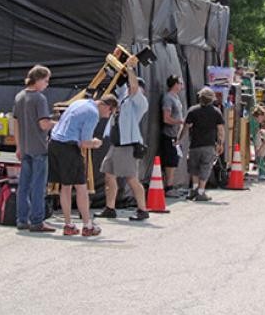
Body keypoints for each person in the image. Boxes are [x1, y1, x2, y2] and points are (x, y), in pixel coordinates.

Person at [48, 94, 118, 236]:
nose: (108, 115)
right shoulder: (93, 114)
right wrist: (96, 143)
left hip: (54, 143)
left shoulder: (80, 102)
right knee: (81, 187)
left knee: (65, 186)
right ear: (104, 105)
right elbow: (84, 142)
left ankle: (68, 225)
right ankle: (87, 225)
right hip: (69, 147)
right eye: (110, 111)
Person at [94, 56, 150, 221]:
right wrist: (114, 70)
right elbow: (121, 85)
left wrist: (131, 69)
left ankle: (142, 209)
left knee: (131, 178)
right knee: (109, 175)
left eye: (135, 86)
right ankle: (110, 208)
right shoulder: (123, 99)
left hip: (128, 145)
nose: (130, 88)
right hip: (115, 144)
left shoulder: (140, 102)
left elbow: (133, 87)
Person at [12, 65, 56, 233]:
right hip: (39, 147)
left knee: (23, 185)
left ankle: (22, 219)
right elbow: (43, 124)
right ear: (37, 80)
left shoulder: (19, 96)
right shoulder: (39, 99)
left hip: (25, 147)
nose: (47, 84)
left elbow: (15, 123)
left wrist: (18, 145)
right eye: (46, 80)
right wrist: (59, 124)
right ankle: (37, 221)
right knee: (38, 186)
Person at [178, 87, 224, 201]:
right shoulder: (216, 112)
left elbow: (185, 127)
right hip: (209, 144)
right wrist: (220, 143)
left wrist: (179, 138)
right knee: (205, 167)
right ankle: (201, 192)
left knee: (194, 167)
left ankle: (194, 189)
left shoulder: (193, 110)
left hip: (194, 144)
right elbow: (221, 130)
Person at [159, 74, 185, 196]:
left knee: (174, 161)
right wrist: (180, 121)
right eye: (180, 83)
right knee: (170, 162)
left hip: (176, 135)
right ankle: (168, 188)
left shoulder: (176, 98)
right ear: (175, 84)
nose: (182, 85)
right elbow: (166, 118)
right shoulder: (168, 98)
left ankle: (171, 185)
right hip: (169, 135)